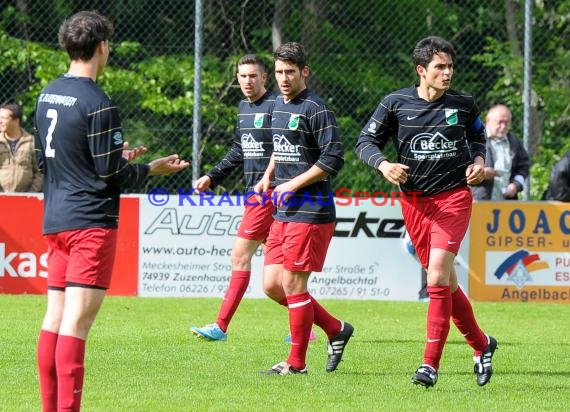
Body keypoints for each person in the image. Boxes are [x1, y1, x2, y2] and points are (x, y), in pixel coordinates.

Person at [34, 10, 189, 412]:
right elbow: (111, 173)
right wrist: (148, 169)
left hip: (55, 219)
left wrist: (109, 155)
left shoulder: (47, 93)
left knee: (55, 316)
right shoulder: (98, 101)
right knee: (77, 324)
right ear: (102, 47)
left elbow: (45, 158)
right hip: (90, 223)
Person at [355, 36, 497, 388]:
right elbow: (364, 142)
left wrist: (479, 161)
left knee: (435, 278)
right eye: (439, 67)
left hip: (453, 199)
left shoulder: (463, 104)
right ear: (422, 70)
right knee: (446, 282)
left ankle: (429, 366)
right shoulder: (395, 103)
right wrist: (384, 165)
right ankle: (481, 345)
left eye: (450, 67)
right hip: (414, 203)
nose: (447, 73)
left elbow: (478, 138)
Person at [190, 54, 305, 341]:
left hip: (268, 194)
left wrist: (270, 178)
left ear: (265, 77)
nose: (247, 81)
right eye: (242, 76)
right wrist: (212, 176)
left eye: (253, 76)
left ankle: (220, 327)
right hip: (253, 193)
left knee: (240, 256)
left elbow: (286, 146)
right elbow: (239, 150)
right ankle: (311, 326)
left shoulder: (276, 106)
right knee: (277, 282)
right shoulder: (242, 108)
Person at [255, 42, 353, 375]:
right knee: (272, 285)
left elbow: (333, 158)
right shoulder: (277, 106)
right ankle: (336, 328)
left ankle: (296, 364)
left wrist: (293, 184)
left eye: (290, 72)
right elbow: (280, 149)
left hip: (312, 209)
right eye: (279, 72)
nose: (283, 78)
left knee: (295, 286)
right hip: (283, 209)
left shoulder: (315, 108)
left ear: (304, 72)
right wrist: (269, 176)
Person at [471, 104, 530, 200]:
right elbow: (459, 171)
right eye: (500, 122)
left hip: (507, 203)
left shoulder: (514, 141)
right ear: (488, 120)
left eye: (506, 123)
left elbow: (524, 166)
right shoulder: (473, 139)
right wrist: (481, 173)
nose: (503, 126)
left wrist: (516, 185)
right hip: (479, 200)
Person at [0, 103, 43, 192]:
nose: (0, 121)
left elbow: (40, 172)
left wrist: (31, 193)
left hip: (26, 199)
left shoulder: (31, 142)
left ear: (16, 121)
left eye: (3, 118)